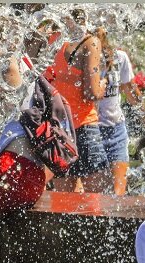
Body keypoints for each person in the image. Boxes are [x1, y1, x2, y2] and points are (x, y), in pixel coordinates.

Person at [45, 8, 110, 193]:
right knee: (98, 197)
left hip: (59, 129)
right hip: (84, 128)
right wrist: (105, 82)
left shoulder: (55, 40)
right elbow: (92, 93)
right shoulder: (90, 43)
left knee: (64, 200)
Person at [95, 27, 144, 196]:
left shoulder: (119, 58)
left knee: (118, 194)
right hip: (90, 132)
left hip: (116, 131)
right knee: (97, 194)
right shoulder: (81, 57)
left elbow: (130, 90)